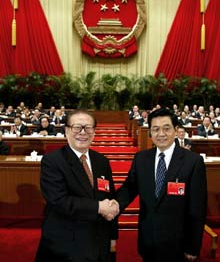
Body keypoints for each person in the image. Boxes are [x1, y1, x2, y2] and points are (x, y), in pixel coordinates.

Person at [115, 108, 207, 262]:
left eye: (166, 128)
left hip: (178, 243)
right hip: (148, 240)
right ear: (150, 132)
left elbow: (198, 208)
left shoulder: (193, 162)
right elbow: (129, 188)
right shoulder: (141, 159)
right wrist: (114, 204)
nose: (161, 134)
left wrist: (193, 246)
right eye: (155, 129)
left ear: (176, 130)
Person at [35, 110, 118, 262]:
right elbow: (58, 200)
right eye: (77, 127)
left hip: (99, 242)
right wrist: (98, 207)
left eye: (88, 128)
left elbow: (110, 198)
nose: (83, 132)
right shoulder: (52, 160)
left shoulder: (102, 161)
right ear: (66, 130)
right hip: (66, 244)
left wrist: (113, 237)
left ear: (94, 132)